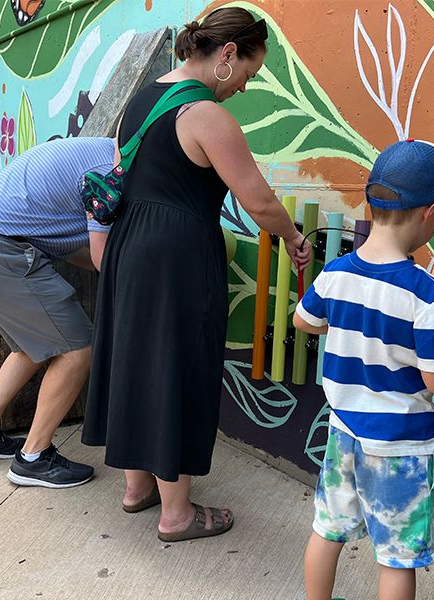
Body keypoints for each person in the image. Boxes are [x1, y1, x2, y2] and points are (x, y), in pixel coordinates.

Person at [81, 7, 310, 542]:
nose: (245, 87)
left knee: (137, 361)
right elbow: (258, 200)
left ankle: (137, 488)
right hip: (177, 255)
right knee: (178, 369)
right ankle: (177, 514)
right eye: (250, 73)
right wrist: (296, 239)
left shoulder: (139, 100)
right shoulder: (207, 115)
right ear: (228, 55)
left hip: (129, 247)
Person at [293, 139, 434, 600]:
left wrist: (350, 329)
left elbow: (302, 321)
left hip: (343, 431)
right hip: (401, 447)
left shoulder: (337, 273)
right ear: (430, 212)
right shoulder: (427, 295)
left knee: (327, 529)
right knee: (397, 557)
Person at [0, 136, 117, 488]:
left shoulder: (87, 151)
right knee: (77, 349)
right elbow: (105, 257)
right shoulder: (111, 172)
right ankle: (34, 457)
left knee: (31, 347)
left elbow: (72, 251)